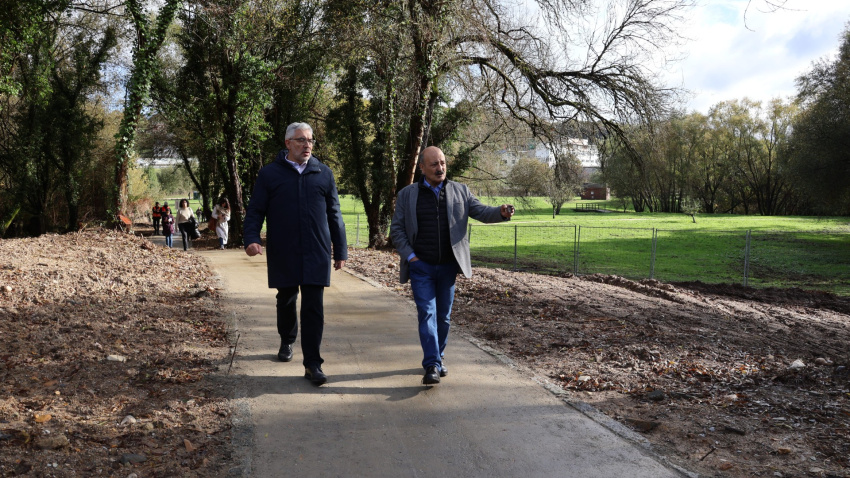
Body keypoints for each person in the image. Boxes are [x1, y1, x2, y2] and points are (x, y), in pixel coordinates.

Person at [390, 146, 514, 385]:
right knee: (427, 313)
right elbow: (397, 229)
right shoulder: (407, 194)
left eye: (443, 163)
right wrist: (411, 256)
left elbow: (481, 211)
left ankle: (438, 355)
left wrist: (500, 212)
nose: (440, 168)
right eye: (435, 164)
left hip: (448, 267)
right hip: (421, 266)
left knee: (443, 318)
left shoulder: (460, 191)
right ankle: (432, 365)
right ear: (422, 168)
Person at [243, 122, 347, 386]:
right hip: (284, 249)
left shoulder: (323, 173)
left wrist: (340, 250)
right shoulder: (270, 174)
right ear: (288, 143)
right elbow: (255, 210)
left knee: (314, 307)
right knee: (286, 299)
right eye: (301, 140)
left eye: (311, 140)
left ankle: (313, 364)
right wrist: (252, 239)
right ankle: (287, 340)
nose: (307, 145)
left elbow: (335, 214)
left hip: (316, 251)